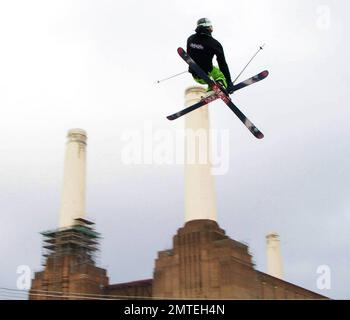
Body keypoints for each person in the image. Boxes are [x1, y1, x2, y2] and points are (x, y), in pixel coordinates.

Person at [187, 18, 235, 94]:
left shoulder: (190, 39)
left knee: (212, 72)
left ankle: (210, 90)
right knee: (220, 74)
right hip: (206, 73)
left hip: (195, 76)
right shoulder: (214, 44)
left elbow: (194, 54)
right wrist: (229, 82)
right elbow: (222, 64)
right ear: (210, 28)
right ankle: (221, 84)